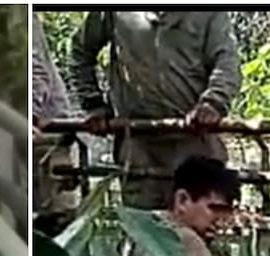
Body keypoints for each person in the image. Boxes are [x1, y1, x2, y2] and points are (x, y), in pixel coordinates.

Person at [69, 10, 241, 209]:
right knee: (143, 226)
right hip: (138, 141)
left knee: (198, 221)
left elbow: (227, 62)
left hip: (193, 138)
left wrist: (214, 102)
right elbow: (81, 51)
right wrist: (93, 103)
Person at [32, 12, 78, 236]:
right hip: (36, 133)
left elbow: (35, 70)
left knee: (57, 220)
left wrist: (28, 113)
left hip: (47, 134)